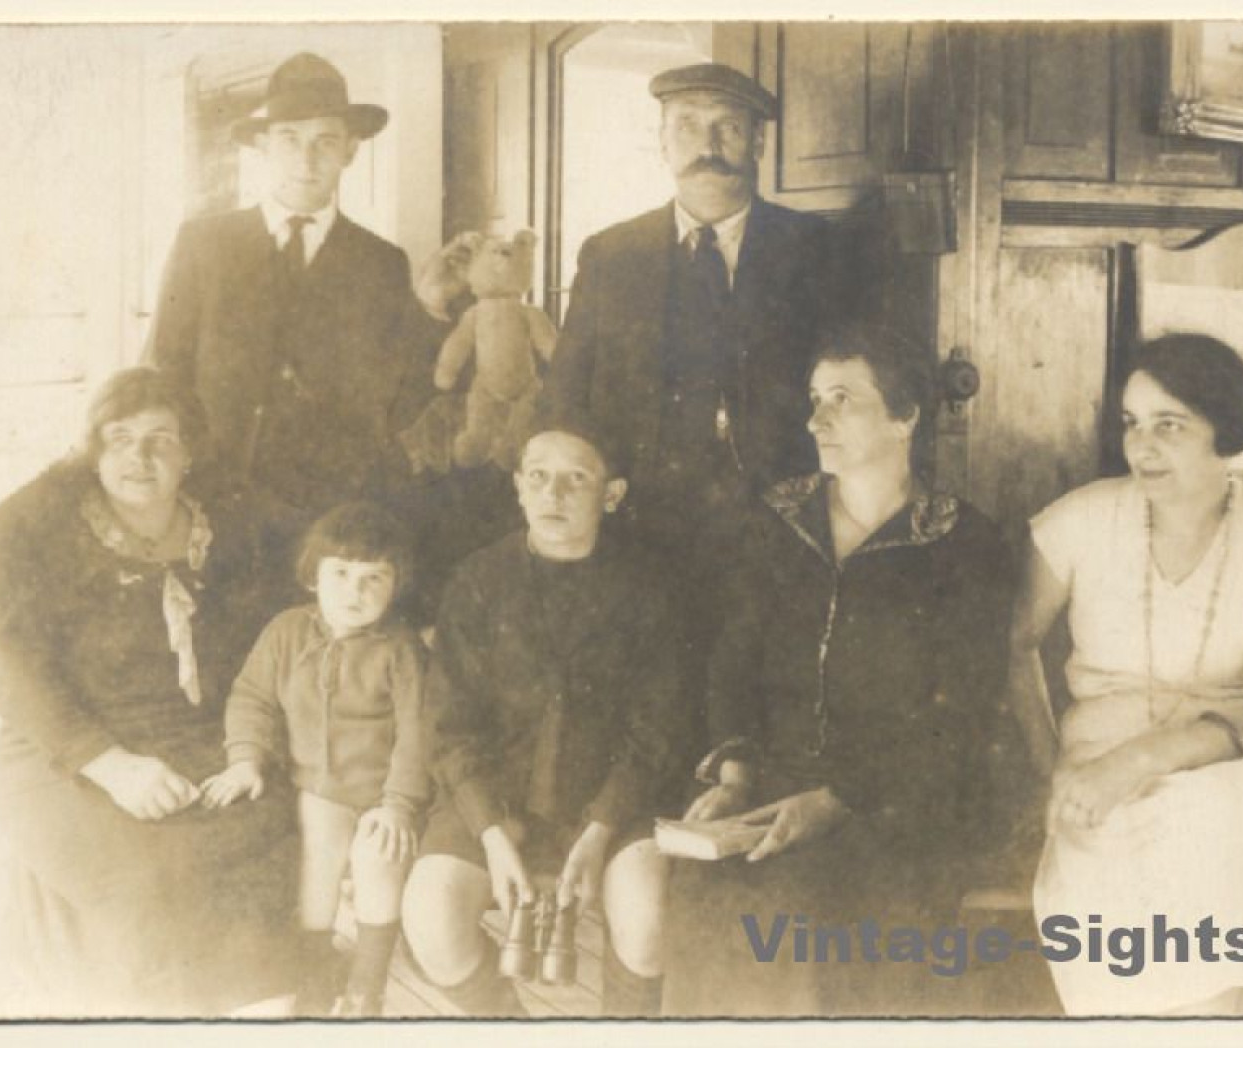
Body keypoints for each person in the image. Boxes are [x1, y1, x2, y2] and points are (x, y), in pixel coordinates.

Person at [662, 328, 1015, 1017]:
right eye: (815, 399)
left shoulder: (962, 543)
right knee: (705, 889)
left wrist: (837, 798)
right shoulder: (774, 520)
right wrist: (735, 775)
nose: (814, 419)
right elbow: (731, 662)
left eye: (842, 400)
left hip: (902, 799)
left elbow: (961, 714)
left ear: (904, 416)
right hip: (773, 782)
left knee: (819, 910)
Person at [1011, 333, 1243, 1016]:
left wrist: (1142, 758)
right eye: (1132, 423)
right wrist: (1053, 770)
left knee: (1232, 825)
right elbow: (1014, 647)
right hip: (1100, 762)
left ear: (1222, 430)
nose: (1141, 446)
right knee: (1142, 862)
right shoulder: (1079, 521)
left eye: (1169, 425)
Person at [538, 61, 857, 754]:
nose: (706, 144)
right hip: (644, 514)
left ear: (758, 145)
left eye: (727, 127)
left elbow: (851, 389)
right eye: (686, 126)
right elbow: (566, 397)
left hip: (776, 515)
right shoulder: (611, 254)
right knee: (649, 696)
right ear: (660, 141)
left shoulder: (818, 251)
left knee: (762, 700)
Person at [0, 368, 300, 1017]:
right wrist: (111, 766)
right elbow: (8, 674)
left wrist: (247, 749)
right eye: (119, 440)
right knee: (147, 883)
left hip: (201, 742)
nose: (138, 459)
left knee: (262, 847)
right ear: (95, 451)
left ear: (189, 454)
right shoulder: (54, 538)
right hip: (69, 755)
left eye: (159, 440)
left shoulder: (228, 531)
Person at [399, 418, 686, 1017]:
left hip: (612, 803)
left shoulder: (651, 590)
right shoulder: (477, 581)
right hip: (496, 802)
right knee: (430, 914)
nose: (553, 494)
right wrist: (491, 832)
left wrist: (602, 827)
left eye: (575, 479)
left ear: (612, 495)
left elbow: (657, 729)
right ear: (519, 488)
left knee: (646, 915)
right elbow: (448, 727)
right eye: (539, 477)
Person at [145, 52, 461, 520]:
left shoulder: (381, 263)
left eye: (325, 142)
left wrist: (431, 310)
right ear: (264, 147)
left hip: (329, 509)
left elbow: (403, 400)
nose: (306, 160)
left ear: (350, 151)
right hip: (214, 497)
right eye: (290, 139)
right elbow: (163, 371)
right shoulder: (204, 244)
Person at [202, 502, 429, 1018]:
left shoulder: (401, 649)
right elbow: (251, 697)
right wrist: (246, 758)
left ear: (396, 586)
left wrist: (398, 804)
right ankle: (313, 973)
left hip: (386, 791)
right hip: (318, 787)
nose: (356, 591)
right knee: (318, 856)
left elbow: (419, 731)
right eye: (341, 574)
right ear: (312, 576)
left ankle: (367, 988)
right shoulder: (286, 632)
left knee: (379, 855)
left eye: (375, 578)